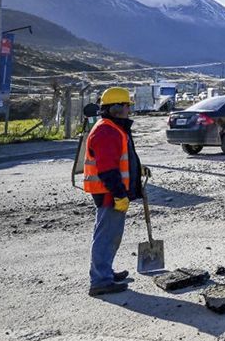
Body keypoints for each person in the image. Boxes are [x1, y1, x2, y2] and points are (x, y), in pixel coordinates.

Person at [83, 87, 145, 296]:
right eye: (127, 106)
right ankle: (100, 280)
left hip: (112, 191)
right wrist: (119, 194)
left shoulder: (113, 128)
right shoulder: (106, 131)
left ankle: (105, 271)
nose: (129, 110)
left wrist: (138, 169)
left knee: (111, 235)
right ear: (117, 108)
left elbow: (120, 160)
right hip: (110, 192)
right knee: (106, 236)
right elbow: (108, 169)